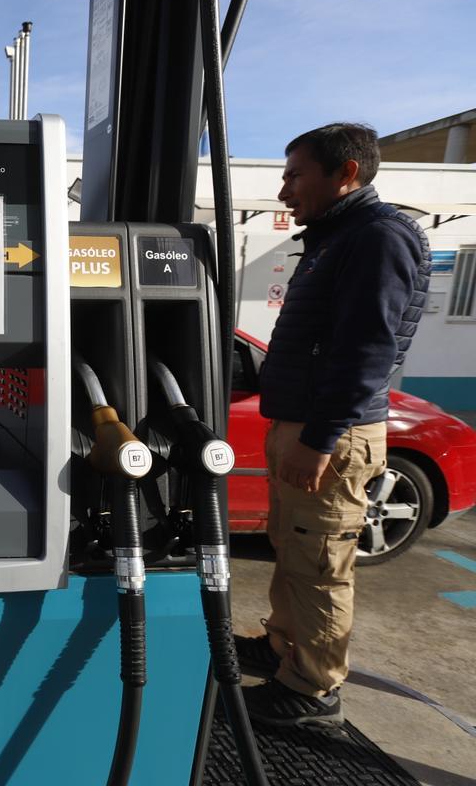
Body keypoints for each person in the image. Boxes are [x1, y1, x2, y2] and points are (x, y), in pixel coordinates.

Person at [236, 123, 431, 726]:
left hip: (331, 434)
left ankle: (312, 691)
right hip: (305, 423)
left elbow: (367, 351)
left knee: (320, 561)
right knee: (294, 548)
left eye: (295, 174)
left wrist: (321, 439)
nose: (284, 188)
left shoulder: (377, 238)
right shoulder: (338, 236)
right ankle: (280, 650)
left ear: (345, 173)